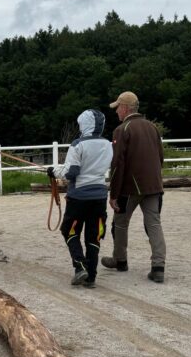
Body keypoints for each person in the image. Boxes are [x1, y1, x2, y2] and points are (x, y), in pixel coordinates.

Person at [101, 91, 166, 283]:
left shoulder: (122, 130)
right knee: (153, 223)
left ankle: (120, 259)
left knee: (120, 222)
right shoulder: (152, 127)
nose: (116, 112)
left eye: (117, 108)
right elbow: (160, 157)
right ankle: (158, 265)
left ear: (125, 108)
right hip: (154, 185)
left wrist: (113, 194)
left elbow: (117, 164)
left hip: (131, 187)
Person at [47, 109, 113, 288]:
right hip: (99, 196)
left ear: (84, 125)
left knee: (69, 231)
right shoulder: (108, 144)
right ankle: (91, 276)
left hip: (79, 197)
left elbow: (71, 172)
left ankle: (80, 265)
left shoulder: (78, 145)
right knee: (94, 235)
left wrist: (54, 171)